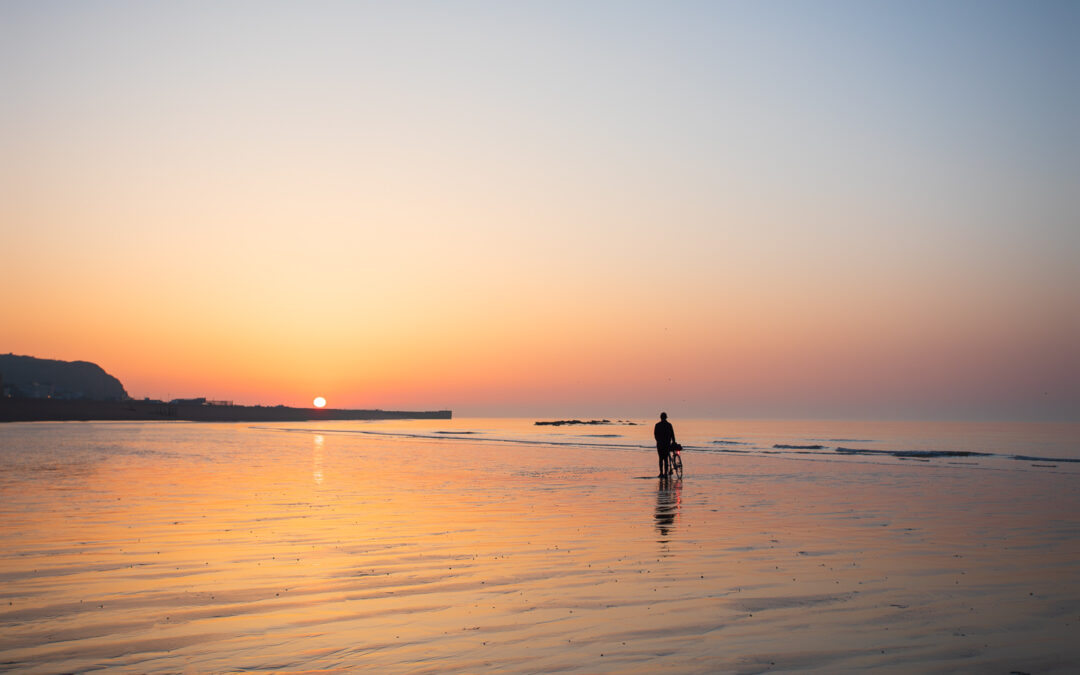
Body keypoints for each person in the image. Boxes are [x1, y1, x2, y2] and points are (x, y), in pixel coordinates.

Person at [654, 412, 676, 477]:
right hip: (667, 444)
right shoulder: (669, 425)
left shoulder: (657, 425)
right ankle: (665, 473)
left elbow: (655, 435)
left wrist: (658, 441)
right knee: (665, 459)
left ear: (661, 418)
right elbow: (672, 434)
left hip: (660, 444)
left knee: (661, 459)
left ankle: (661, 473)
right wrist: (673, 442)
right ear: (666, 417)